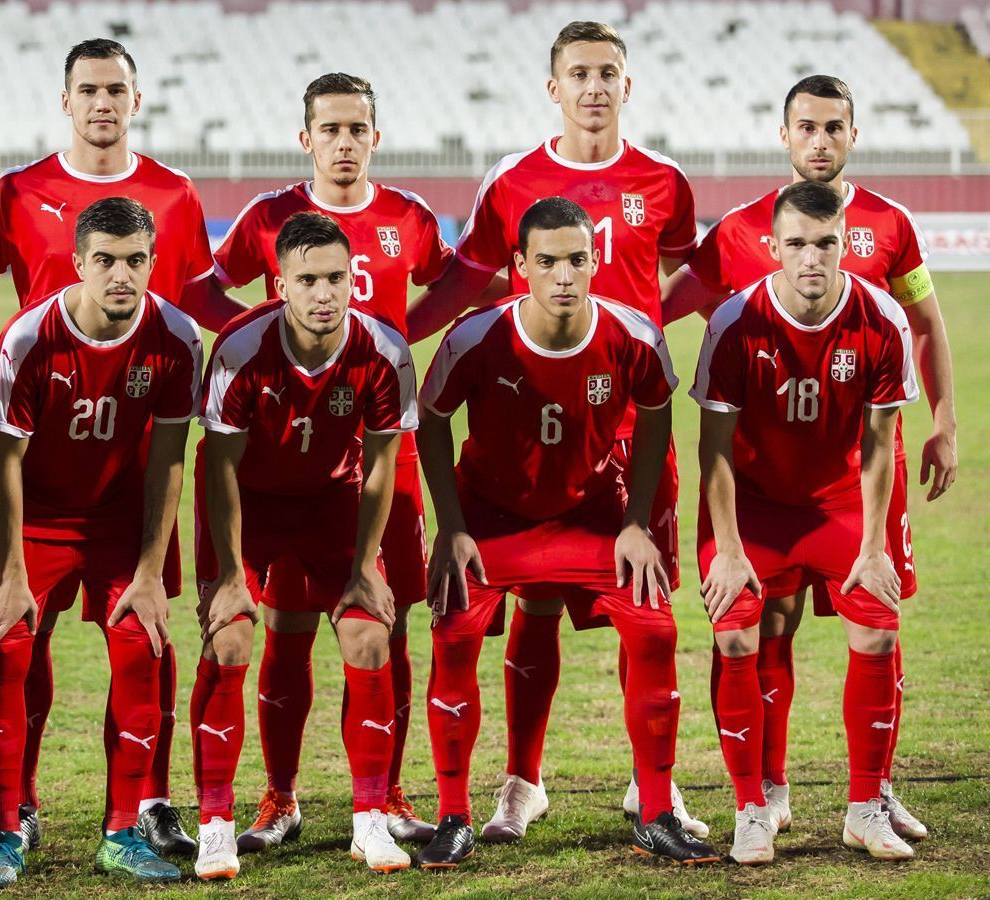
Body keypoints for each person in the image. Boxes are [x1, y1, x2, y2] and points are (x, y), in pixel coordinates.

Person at [407, 20, 709, 840]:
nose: (594, 86)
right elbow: (470, 278)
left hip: (620, 419)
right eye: (578, 73)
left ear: (627, 83)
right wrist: (392, 336)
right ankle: (521, 782)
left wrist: (652, 332)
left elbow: (689, 277)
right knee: (532, 610)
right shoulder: (513, 180)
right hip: (523, 432)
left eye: (609, 71)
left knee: (642, 601)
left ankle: (655, 790)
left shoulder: (664, 179)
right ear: (554, 87)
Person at [0, 37, 238, 855]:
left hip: (129, 462)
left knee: (147, 633)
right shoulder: (18, 192)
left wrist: (280, 330)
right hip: (39, 462)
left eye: (117, 88)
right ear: (65, 101)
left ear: (137, 100)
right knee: (16, 641)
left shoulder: (175, 196)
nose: (104, 102)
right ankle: (20, 810)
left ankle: (144, 808)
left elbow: (197, 300)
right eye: (89, 89)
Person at [667, 75, 956, 841]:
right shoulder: (736, 232)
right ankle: (764, 787)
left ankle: (876, 790)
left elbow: (923, 323)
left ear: (854, 134)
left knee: (877, 610)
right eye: (807, 127)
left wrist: (946, 421)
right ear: (785, 135)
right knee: (770, 623)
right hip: (764, 471)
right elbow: (670, 299)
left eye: (834, 127)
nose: (821, 141)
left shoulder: (889, 226)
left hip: (859, 469)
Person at [211, 72, 455, 846]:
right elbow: (209, 290)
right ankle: (278, 796)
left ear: (375, 137)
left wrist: (400, 341)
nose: (344, 143)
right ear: (305, 137)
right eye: (330, 129)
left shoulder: (409, 218)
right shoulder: (268, 217)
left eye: (357, 129)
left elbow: (449, 290)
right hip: (287, 443)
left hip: (383, 438)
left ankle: (386, 794)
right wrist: (261, 350)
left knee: (387, 617)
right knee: (282, 623)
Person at [0, 198, 202, 886]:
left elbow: (167, 457)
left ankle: (122, 833)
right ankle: (6, 831)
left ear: (153, 263)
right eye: (104, 260)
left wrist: (151, 571)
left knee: (141, 648)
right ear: (77, 263)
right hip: (32, 519)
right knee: (10, 649)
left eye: (135, 260)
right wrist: (12, 573)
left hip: (118, 521)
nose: (121, 275)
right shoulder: (29, 336)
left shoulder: (177, 338)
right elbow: (2, 459)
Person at [692, 181, 919, 864]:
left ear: (844, 243)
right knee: (736, 636)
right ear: (774, 248)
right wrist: (728, 552)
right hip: (754, 508)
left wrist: (875, 546)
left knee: (877, 629)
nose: (812, 258)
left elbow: (880, 446)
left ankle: (865, 807)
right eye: (797, 244)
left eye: (825, 243)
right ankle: (751, 809)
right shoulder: (734, 323)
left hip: (838, 502)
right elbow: (715, 451)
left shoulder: (881, 318)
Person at [191, 211, 418, 879]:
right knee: (230, 636)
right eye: (308, 279)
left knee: (371, 636)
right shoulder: (239, 348)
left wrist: (365, 564)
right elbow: (219, 467)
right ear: (280, 284)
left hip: (331, 503)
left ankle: (370, 824)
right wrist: (231, 572)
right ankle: (215, 825)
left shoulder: (385, 349)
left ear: (354, 280)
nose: (325, 293)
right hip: (249, 506)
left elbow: (381, 464)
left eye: (337, 278)